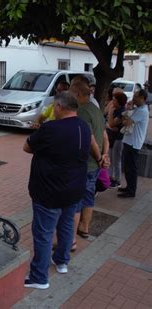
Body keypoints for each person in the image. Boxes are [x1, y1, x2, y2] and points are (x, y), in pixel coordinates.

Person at [23, 92, 91, 289]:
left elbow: (27, 147)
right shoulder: (84, 126)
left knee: (43, 233)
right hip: (74, 189)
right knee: (66, 226)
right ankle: (61, 261)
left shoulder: (50, 128)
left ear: (59, 107)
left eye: (54, 106)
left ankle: (39, 277)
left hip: (49, 192)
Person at [70, 77, 109, 246]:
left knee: (75, 203)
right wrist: (104, 156)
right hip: (95, 165)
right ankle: (84, 228)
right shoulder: (95, 109)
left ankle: (71, 241)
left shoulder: (83, 111)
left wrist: (100, 157)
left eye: (71, 92)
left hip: (85, 164)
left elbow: (91, 138)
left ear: (77, 93)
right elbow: (105, 136)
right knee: (88, 197)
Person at [118, 89, 150, 198]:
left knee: (131, 168)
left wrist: (128, 110)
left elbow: (126, 122)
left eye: (136, 96)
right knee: (127, 167)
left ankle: (131, 191)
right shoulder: (138, 109)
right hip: (129, 141)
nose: (133, 98)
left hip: (134, 143)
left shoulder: (142, 111)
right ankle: (129, 187)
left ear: (142, 98)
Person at [106, 92, 127, 188]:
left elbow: (111, 124)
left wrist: (110, 113)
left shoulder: (122, 111)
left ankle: (117, 180)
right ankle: (110, 177)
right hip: (112, 137)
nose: (112, 101)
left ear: (119, 102)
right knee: (110, 158)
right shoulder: (116, 109)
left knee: (116, 159)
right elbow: (107, 121)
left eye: (114, 100)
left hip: (118, 139)